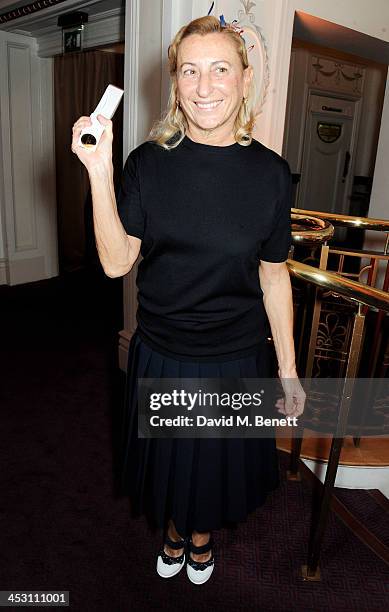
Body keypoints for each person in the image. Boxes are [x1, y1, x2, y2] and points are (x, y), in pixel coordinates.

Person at [71, 14, 305, 586]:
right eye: (190, 71)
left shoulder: (272, 176)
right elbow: (115, 262)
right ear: (175, 83)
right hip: (165, 352)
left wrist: (289, 370)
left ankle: (199, 540)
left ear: (244, 79)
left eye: (220, 69)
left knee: (215, 465)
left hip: (236, 354)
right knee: (175, 461)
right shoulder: (148, 164)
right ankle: (177, 533)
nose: (205, 87)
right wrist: (99, 173)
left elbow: (275, 277)